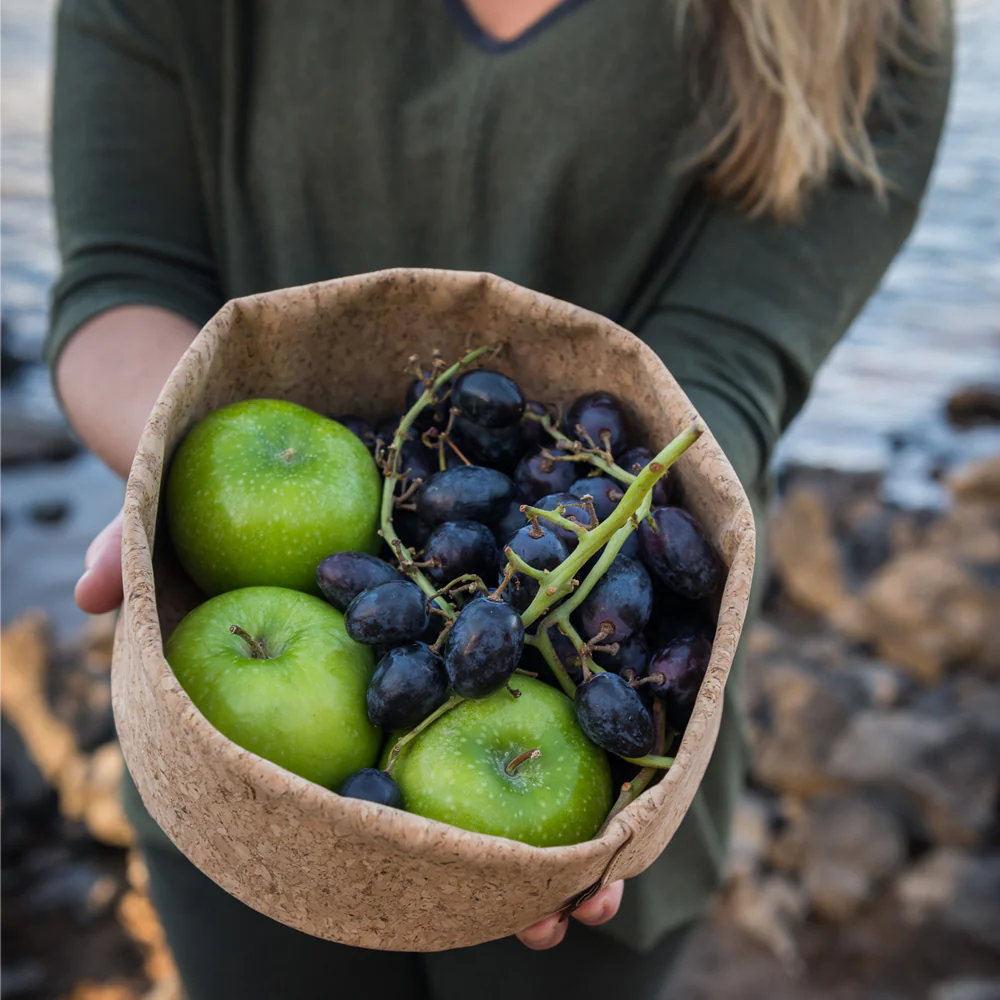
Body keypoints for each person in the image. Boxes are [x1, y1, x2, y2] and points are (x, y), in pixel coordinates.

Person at [48, 0, 952, 997]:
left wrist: (615, 565)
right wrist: (164, 476)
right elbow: (121, 278)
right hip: (230, 780)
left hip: (579, 814)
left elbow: (715, 391)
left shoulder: (866, 25)